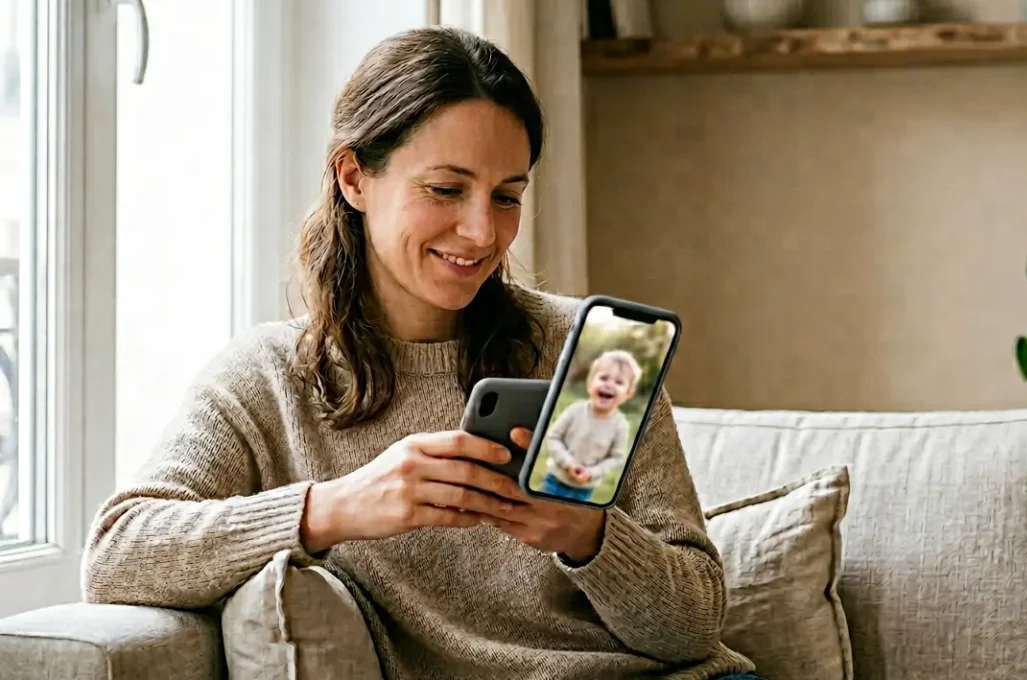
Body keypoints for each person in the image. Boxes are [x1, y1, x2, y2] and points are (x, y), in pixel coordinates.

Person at [80, 25, 761, 680]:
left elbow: (696, 624)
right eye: (445, 190)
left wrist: (588, 535)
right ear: (354, 178)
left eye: (506, 197)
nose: (480, 231)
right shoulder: (270, 379)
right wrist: (337, 506)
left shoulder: (590, 354)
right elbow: (117, 554)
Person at [542, 350, 642, 501]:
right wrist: (569, 463)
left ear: (628, 393)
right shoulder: (574, 411)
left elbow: (616, 457)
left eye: (619, 382)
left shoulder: (620, 425)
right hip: (556, 480)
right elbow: (553, 437)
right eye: (603, 378)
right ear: (590, 383)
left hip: (585, 489)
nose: (609, 385)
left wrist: (592, 472)